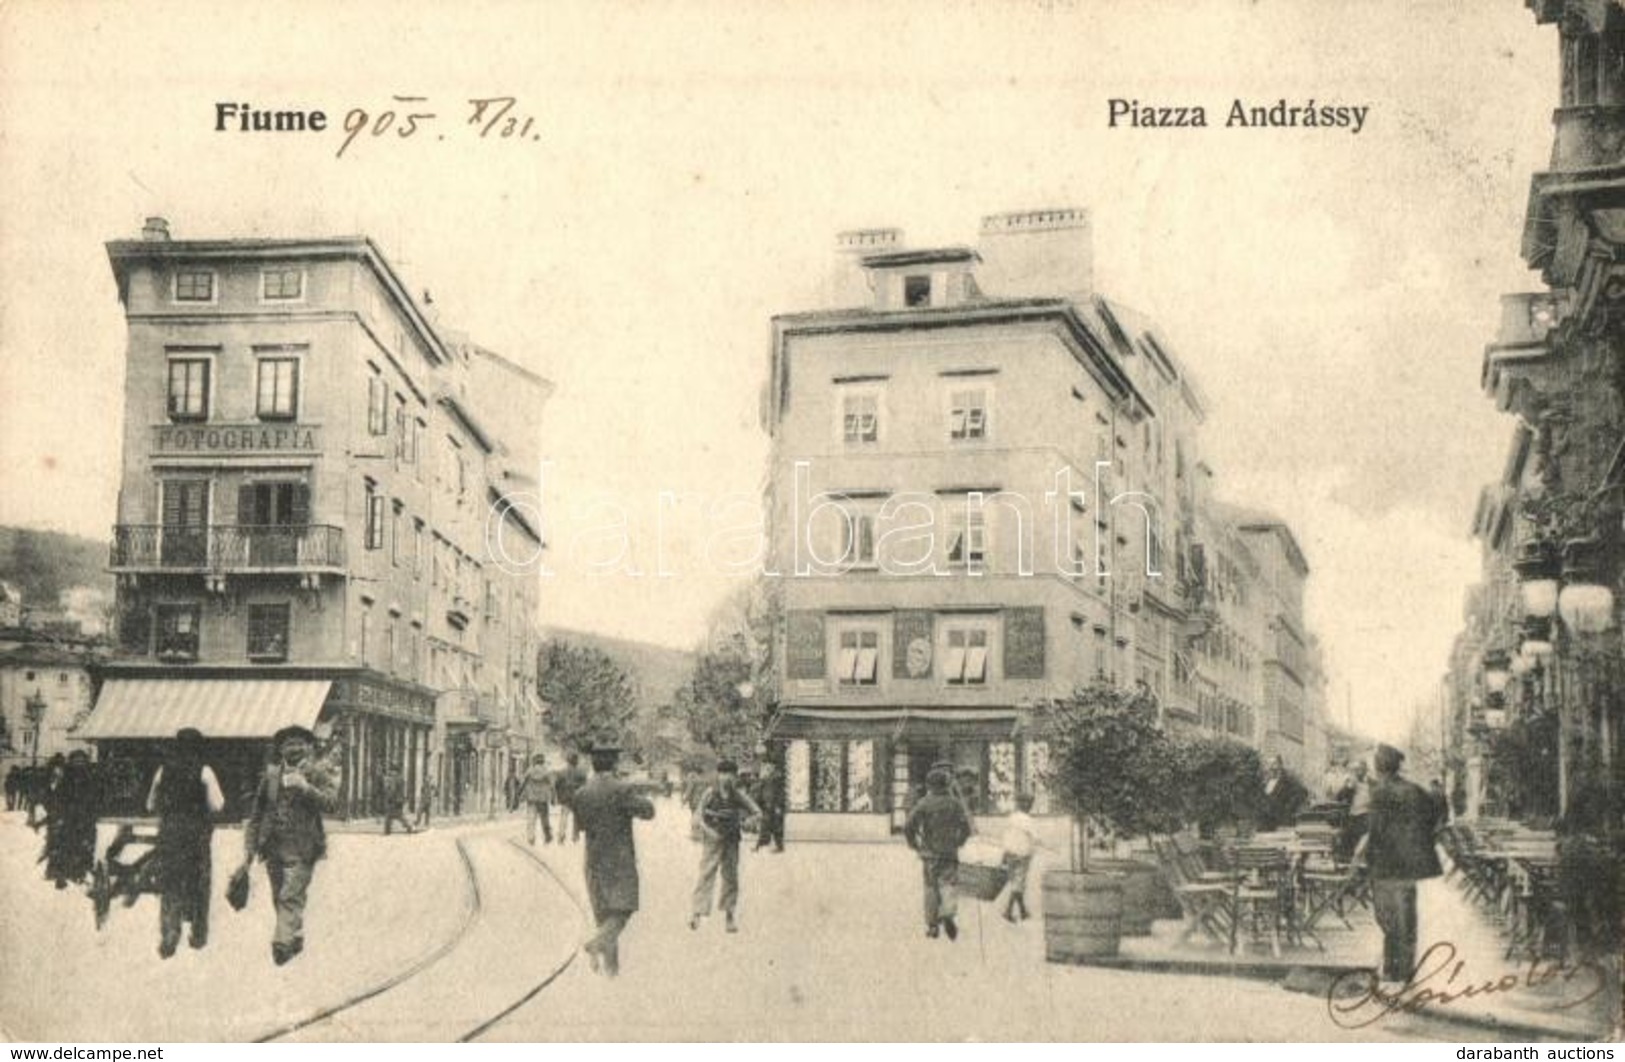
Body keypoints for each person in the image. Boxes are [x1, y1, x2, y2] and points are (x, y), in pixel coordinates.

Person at [241, 725, 338, 965]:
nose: (293, 748)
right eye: (288, 744)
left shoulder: (316, 772)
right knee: (279, 897)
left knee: (289, 896)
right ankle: (294, 935)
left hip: (304, 848)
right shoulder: (272, 776)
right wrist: (250, 850)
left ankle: (281, 945)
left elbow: (332, 803)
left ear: (308, 747)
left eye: (299, 743)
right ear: (280, 749)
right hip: (273, 847)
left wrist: (306, 788)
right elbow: (257, 814)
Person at [1354, 744, 1443, 985]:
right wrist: (1420, 842)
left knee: (1386, 917)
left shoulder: (1379, 792)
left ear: (1379, 767)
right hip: (1408, 866)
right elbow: (1435, 815)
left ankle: (1392, 968)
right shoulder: (1415, 790)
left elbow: (1373, 829)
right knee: (1406, 915)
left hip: (1385, 864)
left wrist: (1361, 857)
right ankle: (1406, 969)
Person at [566, 742, 656, 976]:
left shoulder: (581, 793)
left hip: (593, 859)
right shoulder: (622, 789)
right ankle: (596, 945)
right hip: (620, 859)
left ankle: (611, 970)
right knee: (623, 910)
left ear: (594, 765)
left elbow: (582, 824)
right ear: (614, 764)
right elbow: (648, 811)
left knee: (603, 915)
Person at [147, 728, 225, 957]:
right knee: (200, 884)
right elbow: (217, 805)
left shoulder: (163, 770)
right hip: (196, 837)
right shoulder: (205, 771)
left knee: (170, 884)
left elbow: (150, 804)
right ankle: (198, 934)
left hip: (170, 836)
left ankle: (170, 933)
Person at [689, 759, 762, 933]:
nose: (726, 778)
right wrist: (708, 831)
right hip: (712, 839)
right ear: (718, 775)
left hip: (731, 839)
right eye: (722, 774)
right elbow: (698, 817)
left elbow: (758, 812)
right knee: (706, 873)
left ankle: (729, 915)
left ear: (735, 777)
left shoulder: (738, 795)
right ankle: (696, 913)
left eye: (730, 774)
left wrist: (747, 822)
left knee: (730, 876)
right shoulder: (709, 793)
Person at [903, 765, 973, 941]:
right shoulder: (954, 803)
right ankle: (948, 912)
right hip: (949, 852)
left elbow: (909, 826)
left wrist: (914, 844)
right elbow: (966, 827)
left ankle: (932, 926)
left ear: (929, 785)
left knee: (931, 888)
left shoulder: (925, 803)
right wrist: (959, 841)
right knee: (948, 884)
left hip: (930, 854)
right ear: (946, 785)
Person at [44, 752, 98, 889]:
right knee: (71, 844)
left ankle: (74, 871)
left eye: (81, 762)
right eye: (76, 762)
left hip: (78, 818)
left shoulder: (80, 777)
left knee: (74, 844)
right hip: (73, 818)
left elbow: (95, 798)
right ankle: (67, 872)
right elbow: (55, 797)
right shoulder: (85, 777)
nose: (79, 765)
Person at [1001, 792, 1039, 923]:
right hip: (1023, 854)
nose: (1030, 806)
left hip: (1010, 853)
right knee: (1019, 883)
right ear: (1023, 804)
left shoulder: (1011, 818)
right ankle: (1007, 911)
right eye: (1028, 803)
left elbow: (1005, 836)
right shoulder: (1028, 820)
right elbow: (1036, 837)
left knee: (1016, 883)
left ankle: (1023, 911)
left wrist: (1005, 852)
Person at [1259, 755, 1308, 831]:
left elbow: (1303, 792)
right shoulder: (1265, 782)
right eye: (1268, 764)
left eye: (1274, 764)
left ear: (1280, 765)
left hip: (1282, 824)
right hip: (1266, 824)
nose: (1271, 767)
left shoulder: (1288, 781)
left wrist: (1287, 810)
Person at [1337, 759, 1372, 863]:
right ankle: (1348, 860)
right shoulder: (1351, 782)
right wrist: (1347, 787)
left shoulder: (1371, 782)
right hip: (1354, 815)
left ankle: (1362, 860)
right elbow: (1339, 796)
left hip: (1367, 814)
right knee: (1348, 836)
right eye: (1357, 770)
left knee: (1366, 838)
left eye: (1361, 769)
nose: (1359, 772)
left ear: (1366, 770)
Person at [552, 751, 587, 843]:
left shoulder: (562, 772)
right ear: (576, 761)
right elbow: (585, 786)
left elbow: (557, 785)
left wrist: (559, 796)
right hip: (577, 797)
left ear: (567, 760)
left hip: (565, 797)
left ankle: (561, 835)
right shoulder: (581, 772)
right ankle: (575, 836)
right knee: (576, 817)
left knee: (564, 816)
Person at [752, 760, 786, 853]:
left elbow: (780, 794)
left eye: (768, 768)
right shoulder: (765, 779)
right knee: (765, 826)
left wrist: (778, 806)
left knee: (776, 828)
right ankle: (759, 846)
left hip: (774, 807)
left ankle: (779, 846)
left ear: (773, 768)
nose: (767, 769)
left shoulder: (777, 779)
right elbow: (760, 793)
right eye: (766, 768)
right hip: (767, 806)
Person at [521, 754, 555, 845]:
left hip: (532, 798)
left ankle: (531, 837)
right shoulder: (546, 771)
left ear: (534, 761)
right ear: (542, 761)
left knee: (531, 819)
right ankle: (547, 836)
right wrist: (553, 798)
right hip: (543, 799)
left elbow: (523, 782)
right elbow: (552, 786)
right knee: (544, 819)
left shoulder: (530, 771)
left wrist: (520, 793)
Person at [381, 766, 414, 835]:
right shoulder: (401, 779)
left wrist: (389, 797)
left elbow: (393, 790)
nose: (390, 772)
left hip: (394, 800)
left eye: (391, 771)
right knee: (395, 815)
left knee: (393, 815)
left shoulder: (394, 779)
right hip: (399, 800)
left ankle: (388, 830)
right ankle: (388, 830)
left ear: (395, 771)